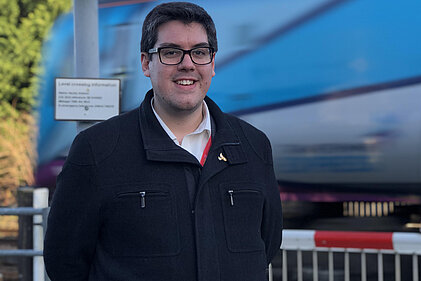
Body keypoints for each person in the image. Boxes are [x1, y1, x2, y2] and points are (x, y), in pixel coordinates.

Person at [43, 2, 283, 280]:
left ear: (212, 64)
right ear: (146, 62)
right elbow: (65, 262)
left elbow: (267, 243)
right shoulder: (98, 150)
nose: (188, 64)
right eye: (171, 52)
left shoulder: (253, 147)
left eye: (200, 53)